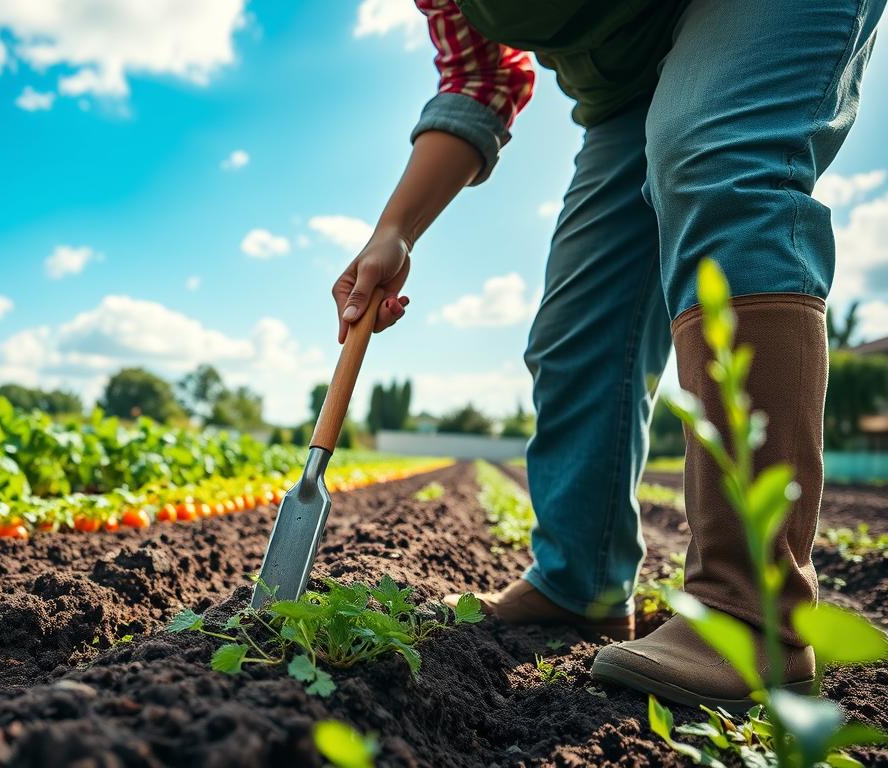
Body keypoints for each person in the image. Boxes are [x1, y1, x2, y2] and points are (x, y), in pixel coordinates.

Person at [334, 0, 884, 709]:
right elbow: (479, 79)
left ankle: (751, 613)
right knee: (578, 321)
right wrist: (395, 231)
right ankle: (579, 582)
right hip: (628, 87)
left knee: (716, 153)